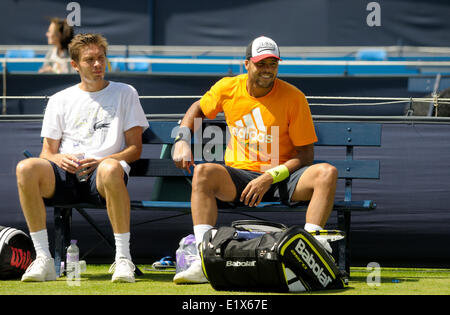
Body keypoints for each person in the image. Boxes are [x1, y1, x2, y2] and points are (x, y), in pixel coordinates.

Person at [172, 36, 338, 284]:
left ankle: (311, 254)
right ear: (247, 64)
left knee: (327, 172)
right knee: (204, 171)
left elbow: (305, 156)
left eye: (273, 63)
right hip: (240, 178)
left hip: (282, 177)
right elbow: (198, 107)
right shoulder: (228, 87)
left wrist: (270, 176)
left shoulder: (294, 97)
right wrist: (182, 140)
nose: (267, 69)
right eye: (261, 63)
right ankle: (203, 259)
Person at [16, 33, 149, 283]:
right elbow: (47, 152)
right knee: (26, 168)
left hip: (102, 177)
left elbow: (134, 149)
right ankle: (43, 258)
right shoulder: (59, 100)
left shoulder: (125, 93)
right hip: (64, 176)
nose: (98, 64)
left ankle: (123, 259)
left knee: (110, 168)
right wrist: (57, 158)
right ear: (75, 65)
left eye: (101, 58)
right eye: (90, 60)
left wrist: (103, 161)